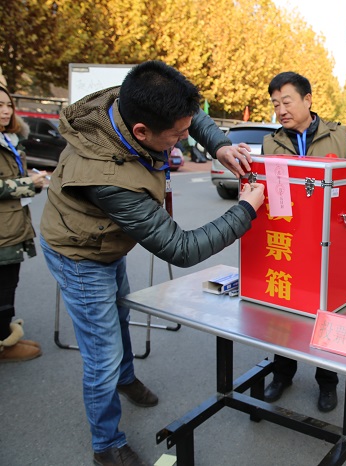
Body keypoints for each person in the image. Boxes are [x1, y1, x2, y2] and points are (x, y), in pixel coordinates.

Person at [39, 60, 265, 466]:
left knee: (119, 314)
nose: (182, 141)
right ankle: (107, 445)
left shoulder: (132, 103)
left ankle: (125, 378)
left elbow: (190, 118)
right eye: (176, 136)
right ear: (142, 132)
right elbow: (181, 248)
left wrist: (220, 145)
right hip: (80, 253)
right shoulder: (108, 178)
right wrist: (245, 210)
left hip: (107, 241)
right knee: (102, 354)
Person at [259, 71, 346, 413]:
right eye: (275, 104)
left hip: (329, 242)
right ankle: (282, 373)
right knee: (285, 305)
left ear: (308, 100)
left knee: (326, 311)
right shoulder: (271, 143)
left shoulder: (339, 136)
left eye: (287, 101)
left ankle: (327, 382)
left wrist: (337, 213)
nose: (281, 110)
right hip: (288, 239)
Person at [0, 83, 48, 363]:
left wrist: (32, 181)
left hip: (12, 224)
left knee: (9, 282)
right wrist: (27, 183)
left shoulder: (9, 138)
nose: (6, 111)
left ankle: (6, 333)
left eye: (8, 105)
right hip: (3, 229)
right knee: (3, 286)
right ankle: (4, 345)